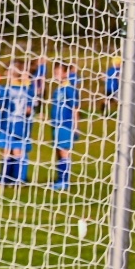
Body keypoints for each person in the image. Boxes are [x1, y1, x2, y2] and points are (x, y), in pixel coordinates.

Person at [0, 62, 34, 184]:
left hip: (8, 124)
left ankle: (6, 178)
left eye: (7, 71)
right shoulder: (27, 90)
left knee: (7, 150)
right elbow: (29, 110)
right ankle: (19, 178)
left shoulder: (5, 90)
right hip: (21, 124)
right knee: (18, 150)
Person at [49, 60, 80, 190]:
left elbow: (75, 108)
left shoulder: (69, 89)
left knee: (64, 152)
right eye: (55, 72)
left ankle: (64, 181)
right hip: (56, 125)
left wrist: (76, 126)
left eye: (58, 72)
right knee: (59, 152)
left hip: (66, 125)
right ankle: (60, 179)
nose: (55, 75)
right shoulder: (58, 89)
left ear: (66, 73)